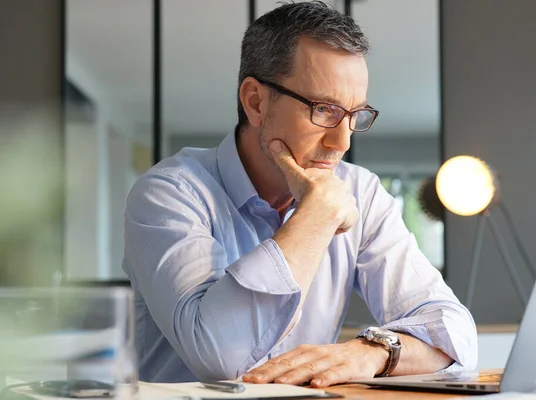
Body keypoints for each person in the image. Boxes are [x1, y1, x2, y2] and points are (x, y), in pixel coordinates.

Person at [123, 0, 477, 387]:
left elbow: (455, 332)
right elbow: (220, 358)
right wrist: (315, 216)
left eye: (354, 114)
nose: (341, 141)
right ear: (255, 101)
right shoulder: (169, 194)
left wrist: (372, 351)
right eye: (324, 109)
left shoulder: (361, 192)